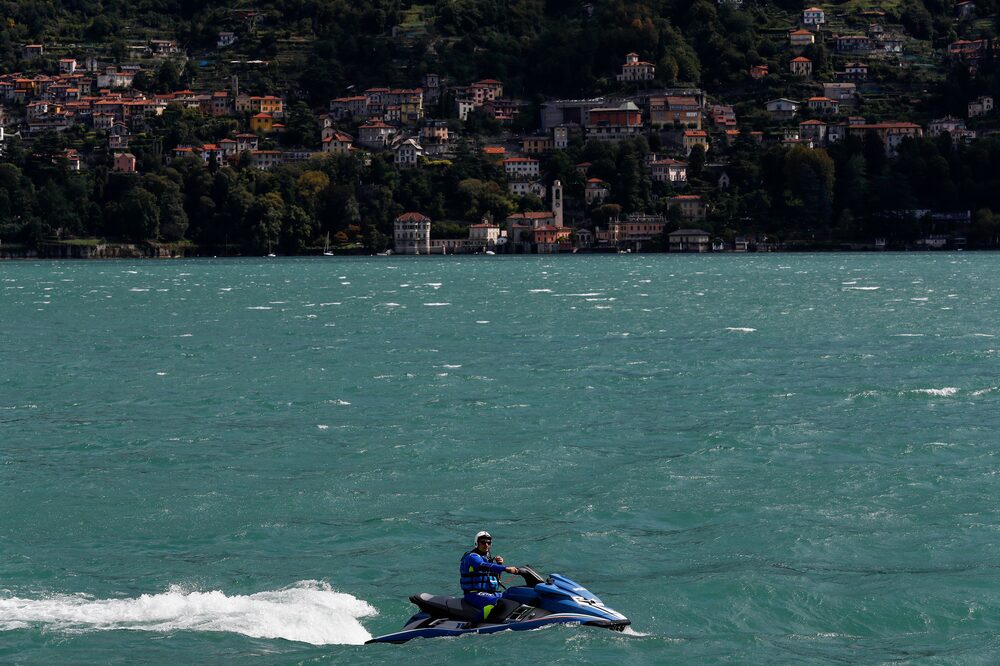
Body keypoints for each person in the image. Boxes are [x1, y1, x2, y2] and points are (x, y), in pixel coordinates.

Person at [459, 530, 518, 621]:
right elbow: (482, 565)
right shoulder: (472, 557)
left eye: (488, 543)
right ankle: (473, 624)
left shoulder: (488, 559)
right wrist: (505, 568)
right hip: (474, 594)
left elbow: (496, 579)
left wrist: (500, 564)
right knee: (498, 603)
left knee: (512, 597)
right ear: (476, 543)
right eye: (483, 542)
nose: (486, 545)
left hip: (491, 593)